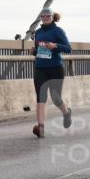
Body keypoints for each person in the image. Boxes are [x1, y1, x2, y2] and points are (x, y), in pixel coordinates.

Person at [31, 8, 72, 138]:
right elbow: (39, 50)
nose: (45, 18)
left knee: (55, 98)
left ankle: (66, 113)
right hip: (40, 68)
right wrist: (33, 51)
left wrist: (55, 46)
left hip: (55, 68)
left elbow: (68, 49)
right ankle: (41, 127)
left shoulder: (58, 31)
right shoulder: (37, 33)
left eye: (48, 16)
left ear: (52, 17)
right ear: (40, 18)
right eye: (43, 16)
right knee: (40, 97)